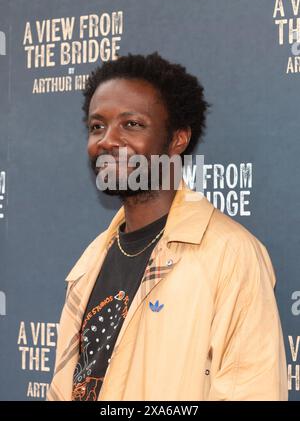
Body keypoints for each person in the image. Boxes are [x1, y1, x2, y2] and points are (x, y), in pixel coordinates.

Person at [47, 52, 288, 401]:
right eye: (97, 126)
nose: (108, 141)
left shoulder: (230, 254)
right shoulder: (91, 260)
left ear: (177, 140)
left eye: (132, 124)